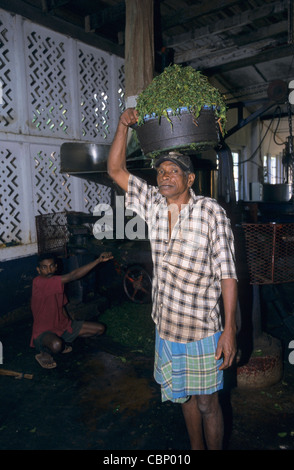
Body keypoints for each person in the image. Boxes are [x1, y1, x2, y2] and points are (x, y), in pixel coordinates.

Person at [107, 108, 238, 450]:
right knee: (183, 399)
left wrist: (230, 330)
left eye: (173, 171)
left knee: (209, 403)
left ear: (190, 179)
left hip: (203, 333)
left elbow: (227, 274)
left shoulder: (210, 212)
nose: (164, 176)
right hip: (167, 329)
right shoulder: (152, 204)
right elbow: (115, 169)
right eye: (161, 171)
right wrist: (123, 125)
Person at [30, 251, 113, 369]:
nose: (48, 270)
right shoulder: (39, 283)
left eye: (51, 266)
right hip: (44, 332)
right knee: (56, 345)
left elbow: (62, 306)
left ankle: (63, 341)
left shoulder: (56, 282)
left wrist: (70, 325)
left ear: (56, 267)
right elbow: (72, 276)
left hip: (61, 326)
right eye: (44, 267)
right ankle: (44, 353)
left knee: (100, 329)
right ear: (38, 270)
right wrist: (98, 261)